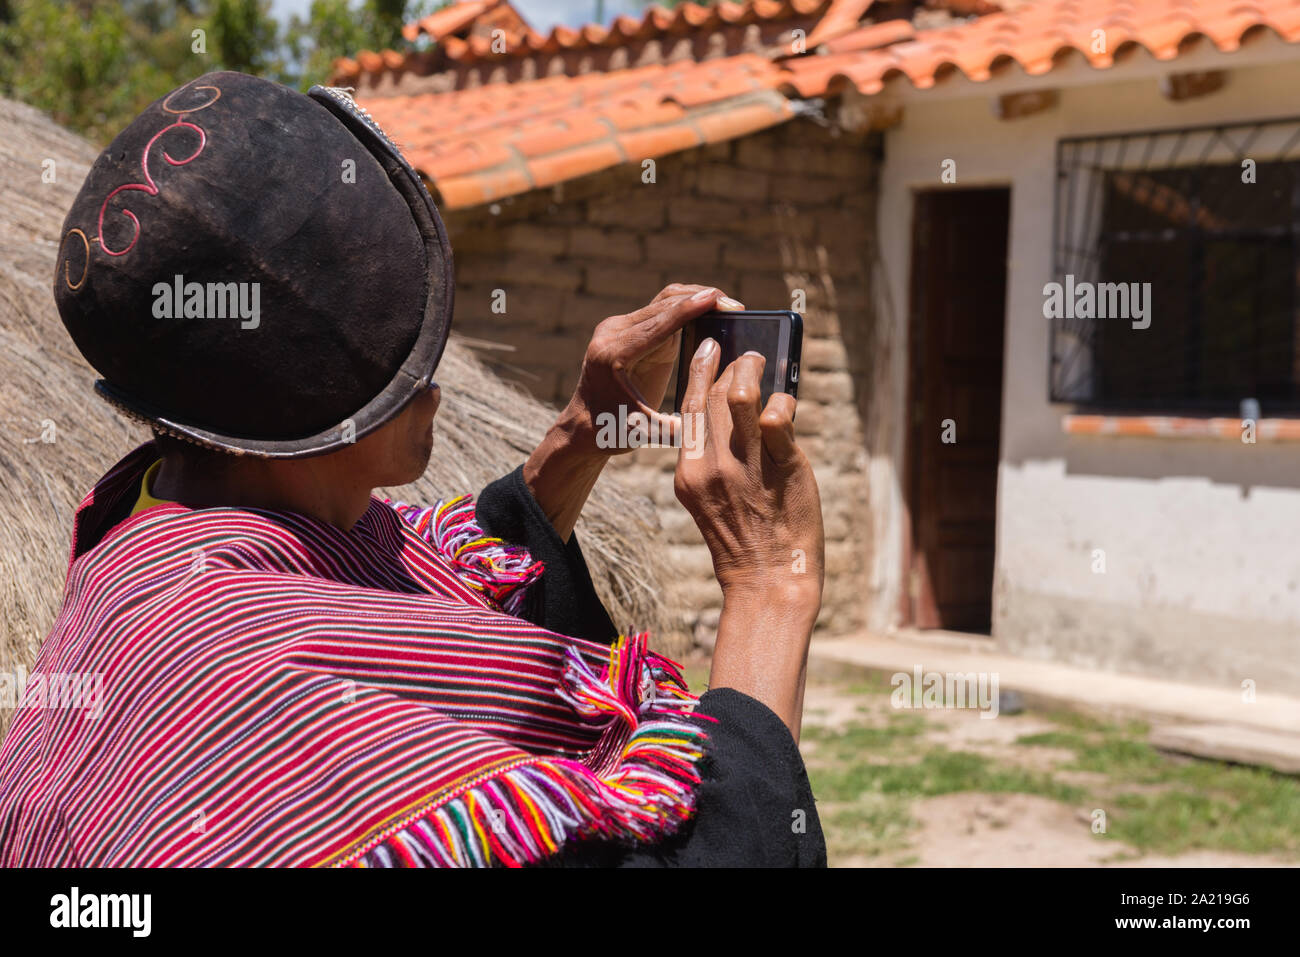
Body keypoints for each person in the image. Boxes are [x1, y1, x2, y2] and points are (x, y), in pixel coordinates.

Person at [0, 72, 827, 867]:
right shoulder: (306, 733)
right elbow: (725, 851)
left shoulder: (149, 540)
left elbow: (433, 573)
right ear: (324, 405)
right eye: (405, 347)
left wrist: (582, 433)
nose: (434, 378)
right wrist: (767, 581)